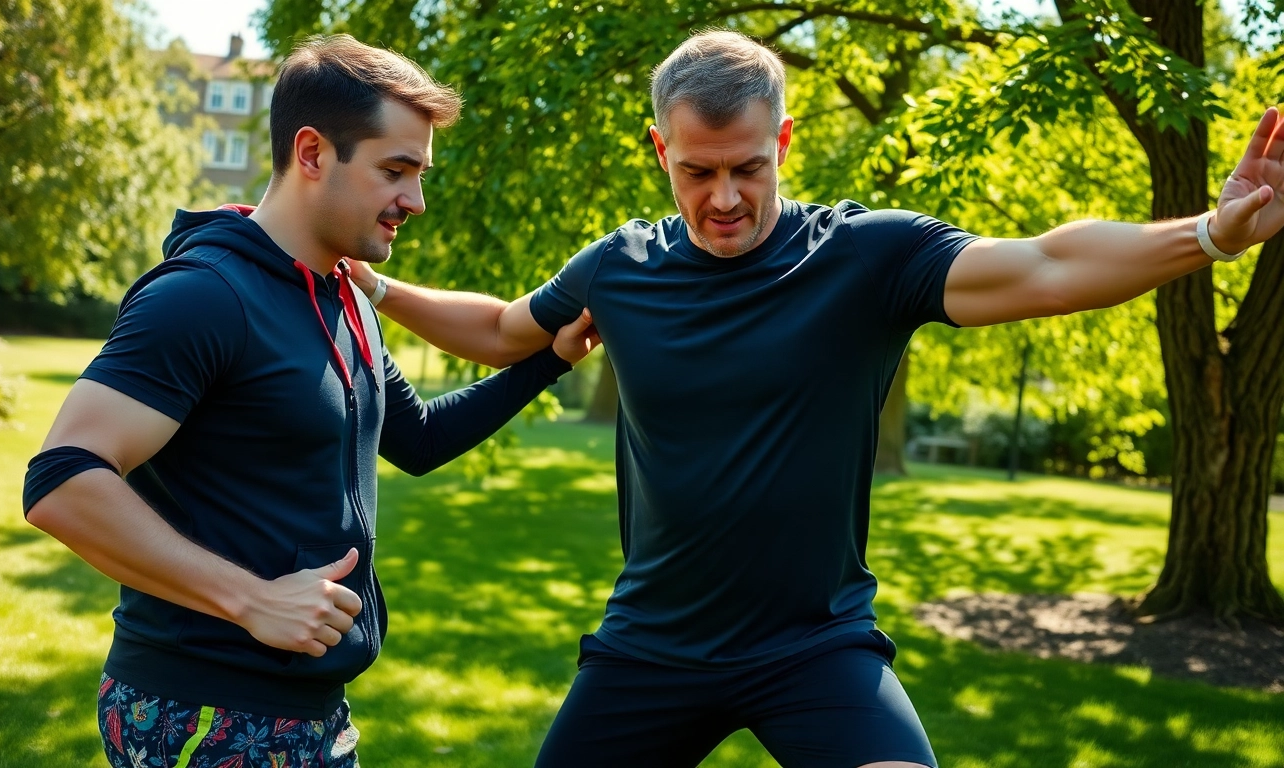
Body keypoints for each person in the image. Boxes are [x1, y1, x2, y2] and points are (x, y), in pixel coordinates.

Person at [346, 29, 1284, 768]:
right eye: (697, 171)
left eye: (747, 168)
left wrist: (1209, 233)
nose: (722, 198)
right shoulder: (620, 268)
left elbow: (1045, 264)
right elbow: (504, 327)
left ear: (783, 141)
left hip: (814, 648)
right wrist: (374, 287)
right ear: (658, 148)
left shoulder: (865, 259)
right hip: (651, 649)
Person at [22, 34, 600, 768]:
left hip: (309, 714)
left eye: (419, 174)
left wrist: (547, 362)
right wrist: (248, 598)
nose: (415, 201)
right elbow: (61, 479)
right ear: (312, 153)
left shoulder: (342, 295)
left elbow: (415, 439)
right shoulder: (205, 296)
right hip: (202, 713)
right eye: (396, 170)